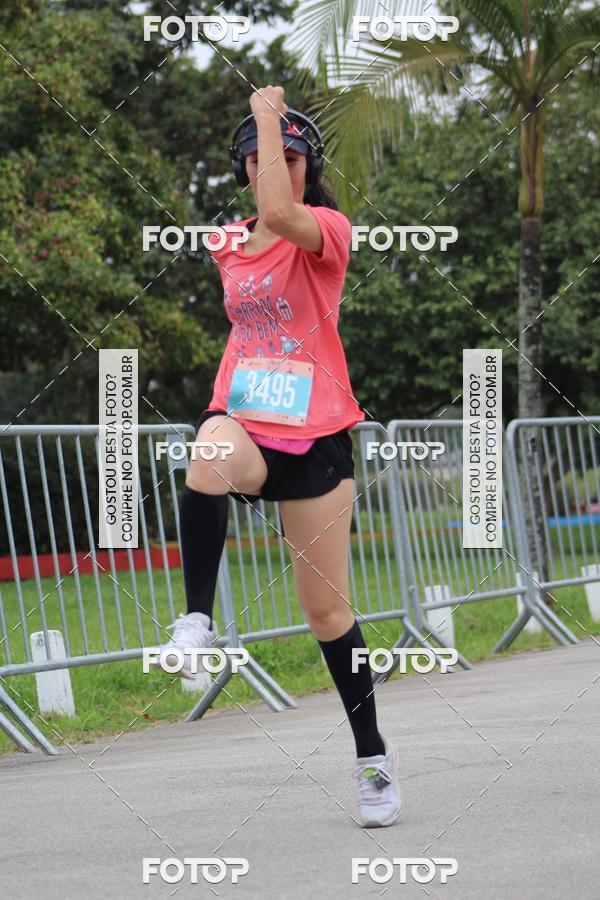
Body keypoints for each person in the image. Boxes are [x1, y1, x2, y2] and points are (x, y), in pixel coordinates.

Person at [155, 85, 401, 828]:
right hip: (249, 422)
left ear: (307, 166)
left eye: (289, 158)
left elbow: (282, 216)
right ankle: (196, 620)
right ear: (243, 170)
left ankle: (373, 758)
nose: (276, 169)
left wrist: (269, 110)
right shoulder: (227, 244)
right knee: (207, 453)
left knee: (327, 612)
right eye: (262, 160)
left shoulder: (325, 230)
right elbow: (253, 289)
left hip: (318, 436)